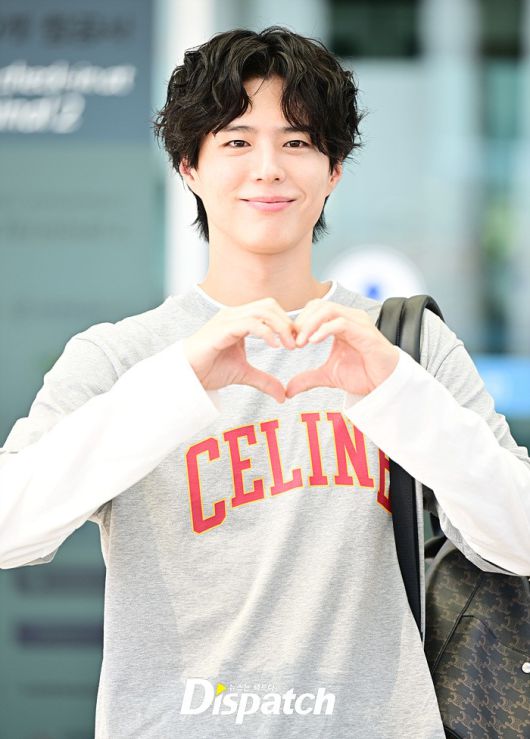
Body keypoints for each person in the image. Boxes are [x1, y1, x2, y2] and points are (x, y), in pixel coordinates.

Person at [0, 25, 529, 738]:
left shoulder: (403, 344)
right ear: (189, 165)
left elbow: (517, 540)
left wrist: (397, 395)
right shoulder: (122, 357)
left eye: (298, 141)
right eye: (237, 141)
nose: (269, 168)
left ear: (333, 168)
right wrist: (177, 384)